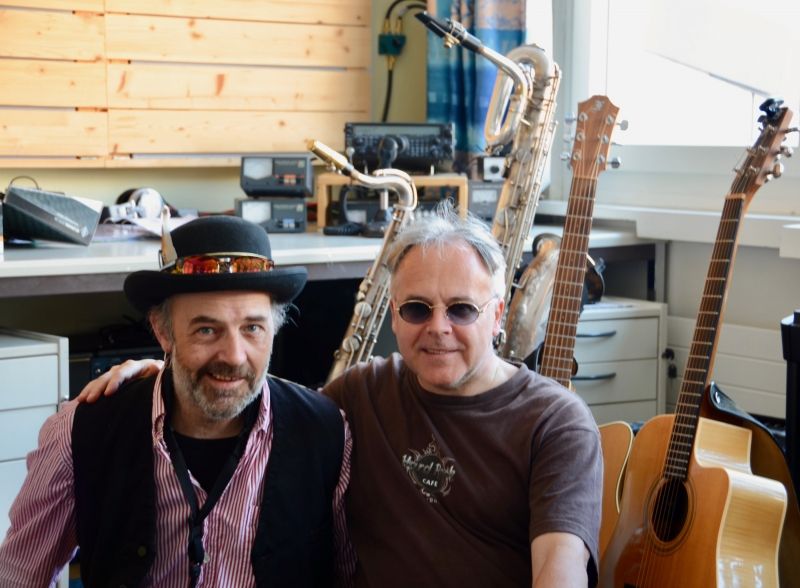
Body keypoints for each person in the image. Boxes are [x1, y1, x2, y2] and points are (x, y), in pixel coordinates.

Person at [75, 204, 603, 587]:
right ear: (394, 316)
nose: (438, 328)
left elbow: (560, 572)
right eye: (417, 309)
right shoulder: (363, 393)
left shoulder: (555, 422)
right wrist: (171, 369)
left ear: (498, 314)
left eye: (462, 309)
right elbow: (254, 400)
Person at [0, 216, 354, 588]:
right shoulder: (79, 434)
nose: (234, 356)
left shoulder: (328, 435)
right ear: (163, 332)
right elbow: (18, 578)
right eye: (207, 329)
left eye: (252, 328)